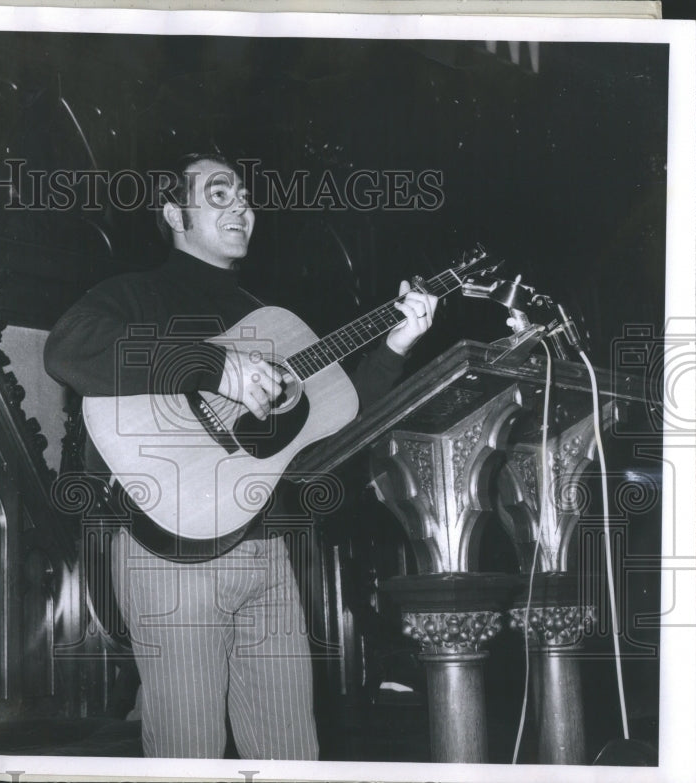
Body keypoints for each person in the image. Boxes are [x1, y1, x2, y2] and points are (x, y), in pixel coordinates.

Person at [44, 152, 437, 758]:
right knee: (187, 754)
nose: (243, 208)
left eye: (247, 198)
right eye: (221, 195)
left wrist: (394, 346)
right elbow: (69, 348)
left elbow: (335, 431)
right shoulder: (135, 293)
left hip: (267, 550)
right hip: (166, 555)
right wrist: (214, 365)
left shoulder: (272, 320)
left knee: (291, 755)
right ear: (175, 213)